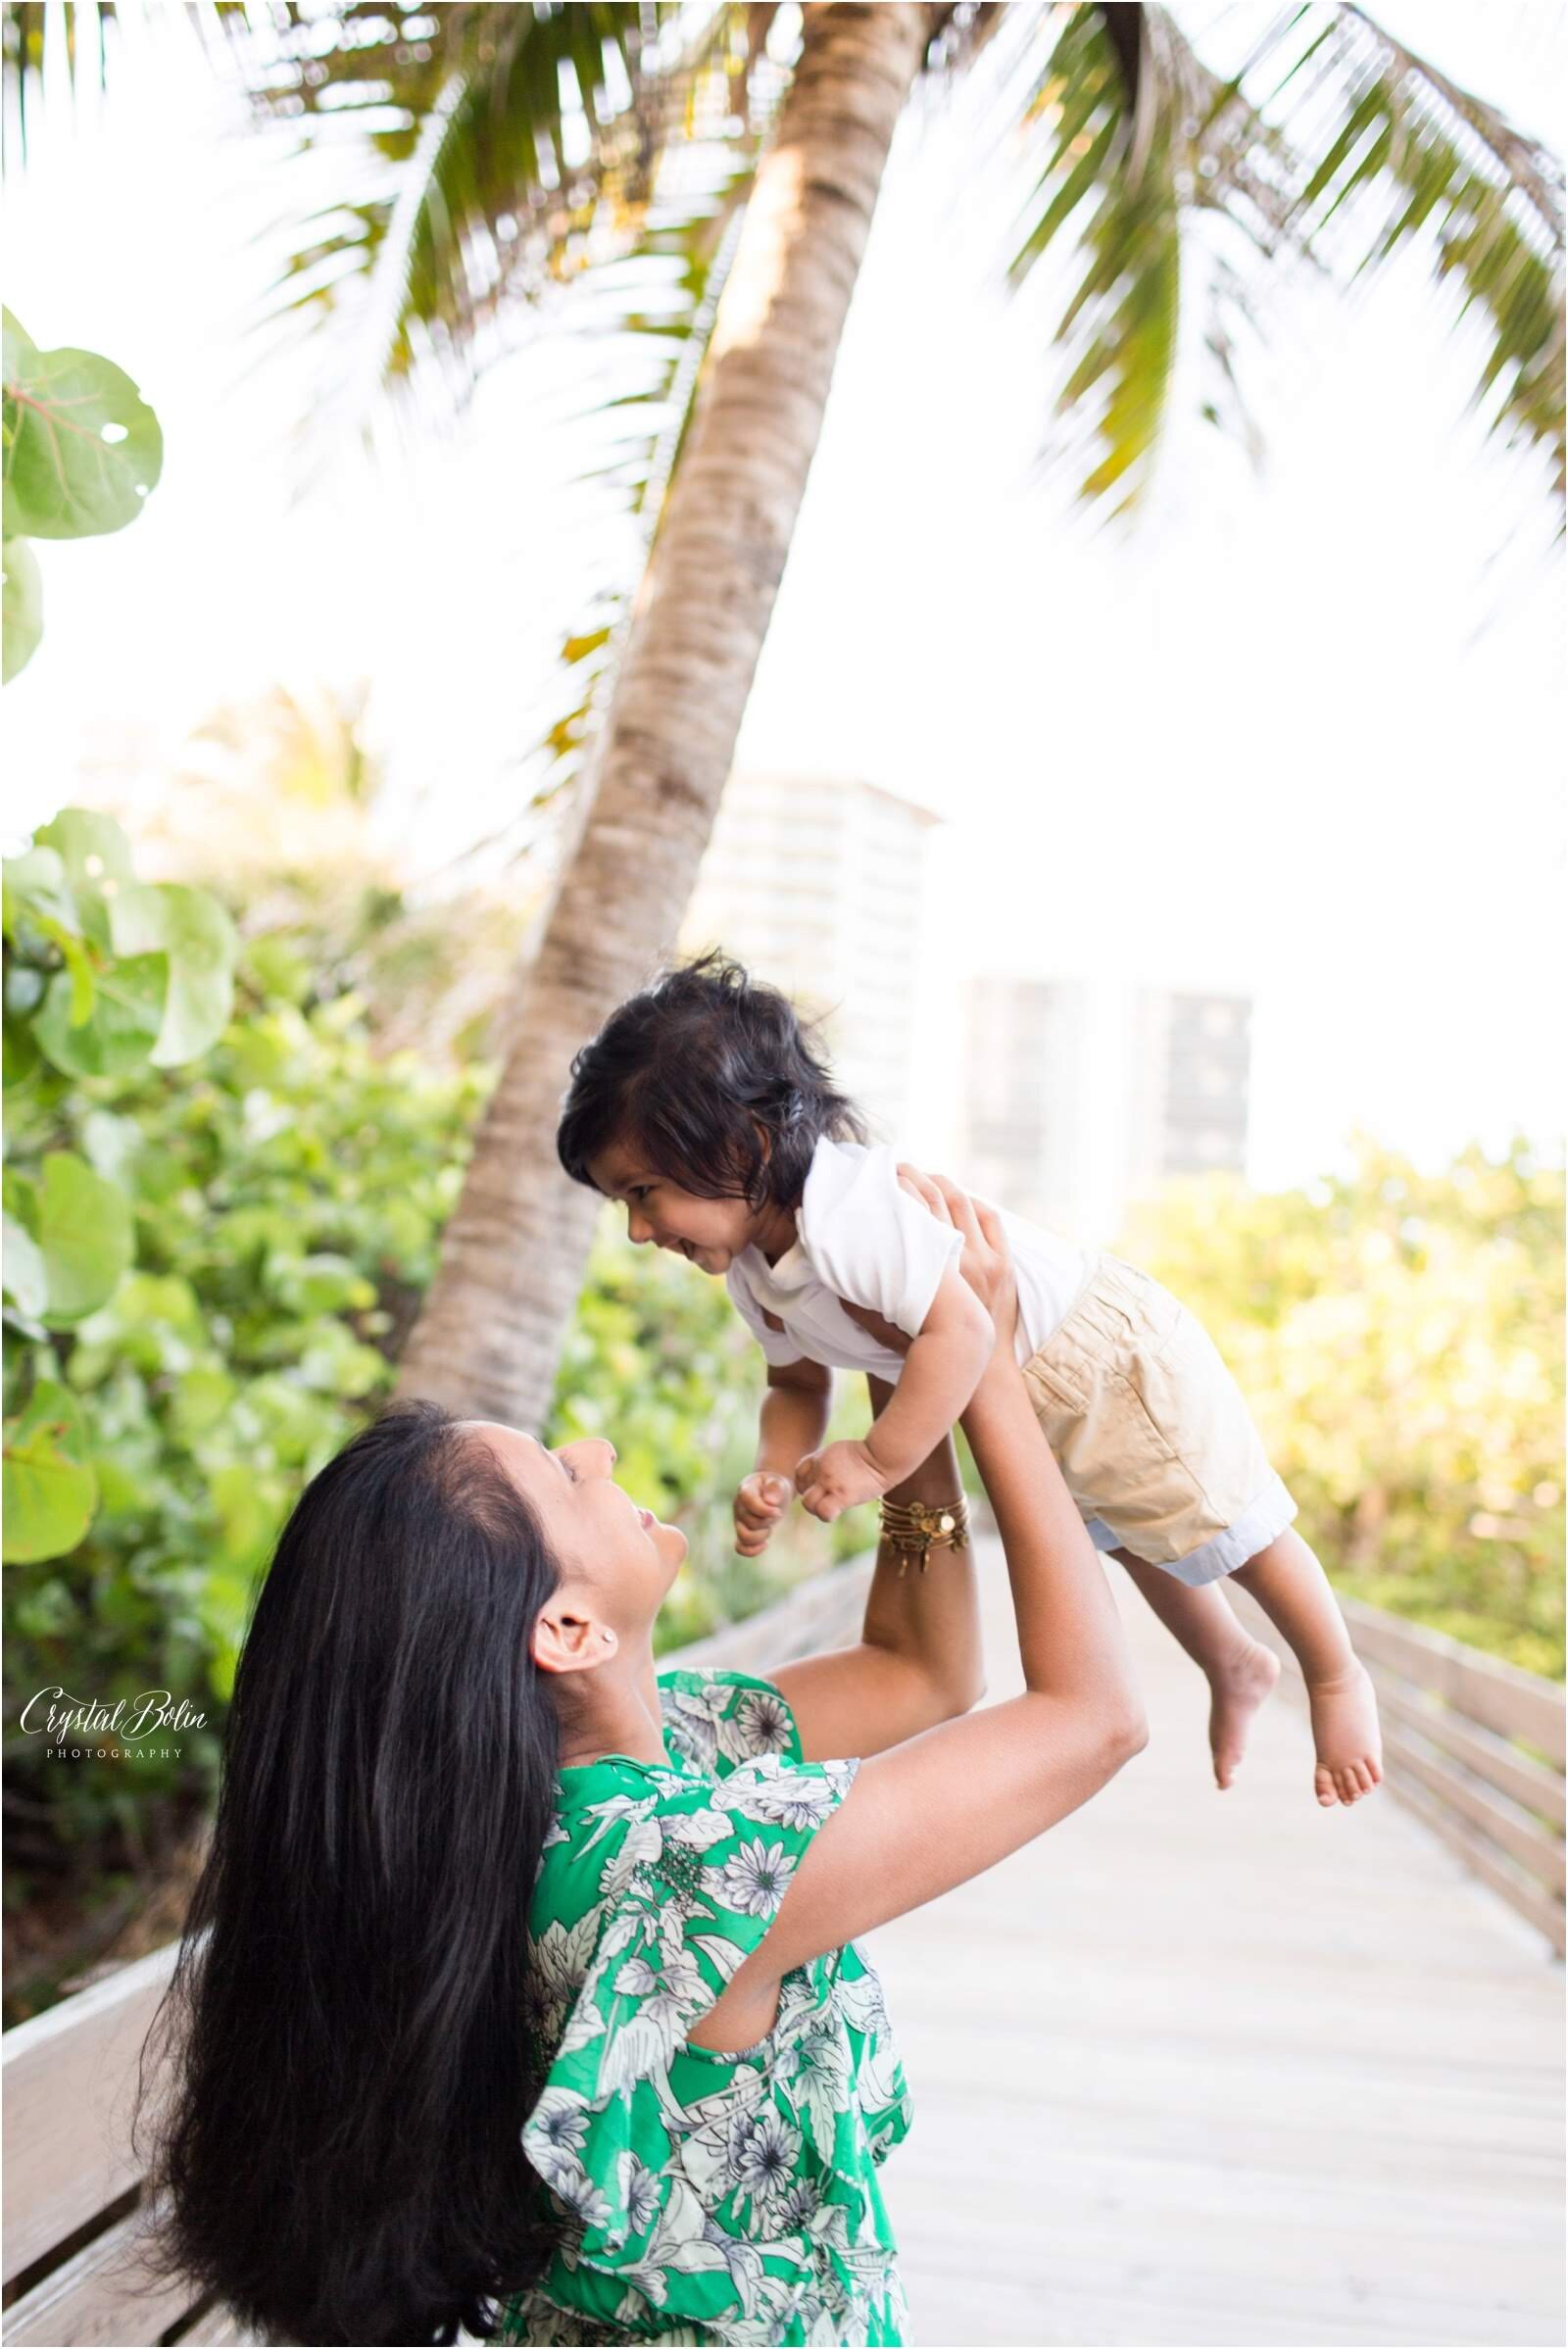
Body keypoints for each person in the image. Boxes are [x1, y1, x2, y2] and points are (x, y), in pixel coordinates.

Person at [134, 1178, 1145, 2349]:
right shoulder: (671, 1869)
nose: (597, 1447)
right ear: (565, 1632)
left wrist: (898, 1410)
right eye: (567, 1478)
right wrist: (992, 1376)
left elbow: (917, 1670)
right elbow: (1095, 1715)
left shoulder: (613, 1780)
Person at [556, 953, 1382, 1809]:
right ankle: (1230, 1658)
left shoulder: (846, 1213)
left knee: (1227, 1521)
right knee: (1133, 1529)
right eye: (622, 1203)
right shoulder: (753, 1270)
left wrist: (877, 1461)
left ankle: (1334, 1674)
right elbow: (795, 1385)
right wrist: (775, 1467)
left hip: (1098, 1353)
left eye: (644, 1192)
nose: (639, 1230)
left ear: (745, 1144)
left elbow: (961, 1328)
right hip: (1024, 1386)